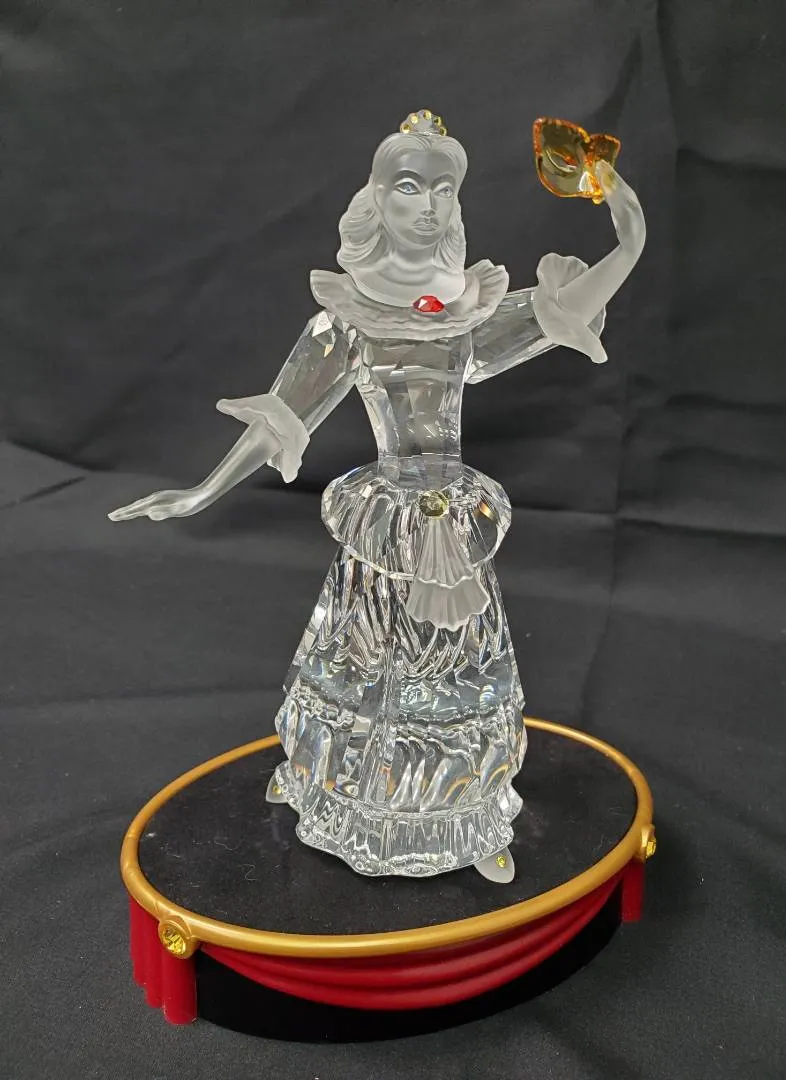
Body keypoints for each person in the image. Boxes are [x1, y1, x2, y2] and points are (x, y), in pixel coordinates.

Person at [110, 109, 645, 882]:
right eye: (409, 187)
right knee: (360, 667)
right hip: (389, 522)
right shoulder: (348, 320)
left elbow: (558, 310)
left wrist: (629, 242)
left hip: (451, 523)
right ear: (376, 200)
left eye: (444, 190)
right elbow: (286, 415)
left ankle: (466, 816)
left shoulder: (467, 311)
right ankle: (331, 791)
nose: (428, 206)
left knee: (458, 674)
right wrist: (199, 492)